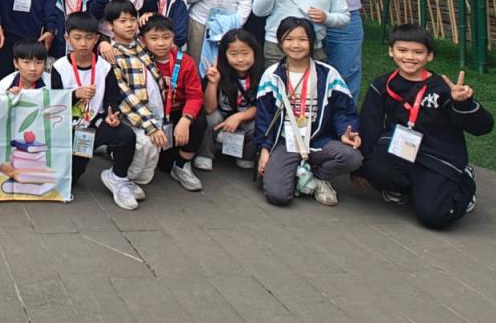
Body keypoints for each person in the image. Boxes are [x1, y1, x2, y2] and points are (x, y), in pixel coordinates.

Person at [356, 24, 493, 229]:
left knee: (433, 216)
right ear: (391, 51)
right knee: (371, 165)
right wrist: (360, 168)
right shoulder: (383, 84)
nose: (409, 57)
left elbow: (483, 127)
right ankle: (406, 188)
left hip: (436, 156)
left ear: (429, 56)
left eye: (418, 52)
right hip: (401, 150)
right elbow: (369, 125)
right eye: (402, 50)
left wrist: (464, 103)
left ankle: (464, 182)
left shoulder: (442, 89)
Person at [254, 17, 362, 207]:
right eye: (289, 39)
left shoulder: (328, 74)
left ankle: (319, 177)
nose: (296, 45)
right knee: (277, 195)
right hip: (286, 141)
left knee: (352, 157)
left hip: (318, 139)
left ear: (312, 42)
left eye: (302, 39)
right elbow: (264, 118)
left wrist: (346, 131)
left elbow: (343, 110)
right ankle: (297, 172)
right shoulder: (272, 75)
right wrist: (264, 149)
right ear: (280, 42)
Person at [50, 12, 139, 210]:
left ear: (97, 38)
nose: (83, 43)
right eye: (77, 37)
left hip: (95, 124)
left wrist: (112, 115)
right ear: (67, 38)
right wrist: (75, 94)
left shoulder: (104, 67)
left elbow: (112, 98)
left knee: (126, 136)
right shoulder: (59, 67)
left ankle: (118, 178)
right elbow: (55, 102)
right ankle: (74, 165)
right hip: (68, 130)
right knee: (72, 178)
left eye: (89, 38)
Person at [100, 0, 163, 191]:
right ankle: (121, 178)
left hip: (154, 109)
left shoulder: (141, 45)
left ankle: (137, 180)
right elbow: (124, 93)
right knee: (144, 143)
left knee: (153, 150)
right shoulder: (112, 54)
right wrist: (149, 124)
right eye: (122, 21)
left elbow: (159, 34)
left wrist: (151, 17)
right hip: (132, 114)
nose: (129, 25)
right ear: (110, 25)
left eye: (132, 19)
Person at [140, 14, 206, 191]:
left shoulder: (185, 62)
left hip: (177, 112)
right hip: (152, 115)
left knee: (199, 121)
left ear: (173, 38)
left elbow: (195, 96)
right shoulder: (141, 60)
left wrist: (186, 120)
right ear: (143, 41)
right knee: (164, 166)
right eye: (154, 38)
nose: (161, 43)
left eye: (166, 37)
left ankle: (183, 164)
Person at [197, 28, 263, 171]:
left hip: (245, 119)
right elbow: (209, 108)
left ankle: (246, 156)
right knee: (209, 118)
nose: (240, 59)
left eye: (245, 53)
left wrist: (239, 117)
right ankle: (205, 154)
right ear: (224, 55)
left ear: (255, 52)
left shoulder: (262, 75)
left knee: (259, 122)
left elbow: (262, 107)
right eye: (233, 54)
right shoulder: (216, 72)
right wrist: (213, 83)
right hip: (220, 119)